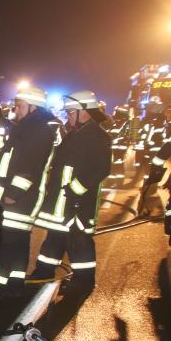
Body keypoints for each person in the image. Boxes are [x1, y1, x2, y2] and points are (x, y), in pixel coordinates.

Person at [0, 84, 59, 300]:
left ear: (33, 107)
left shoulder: (38, 130)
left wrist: (13, 193)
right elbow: (16, 159)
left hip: (19, 200)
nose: (15, 109)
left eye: (20, 105)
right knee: (18, 243)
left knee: (6, 245)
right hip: (15, 199)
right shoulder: (28, 127)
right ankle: (15, 285)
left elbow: (30, 168)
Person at [32, 91, 111, 294]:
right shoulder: (77, 134)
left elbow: (101, 169)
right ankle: (43, 271)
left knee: (79, 242)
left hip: (77, 203)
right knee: (56, 236)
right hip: (63, 201)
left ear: (84, 112)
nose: (68, 117)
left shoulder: (98, 137)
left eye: (71, 112)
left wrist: (75, 191)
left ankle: (83, 282)